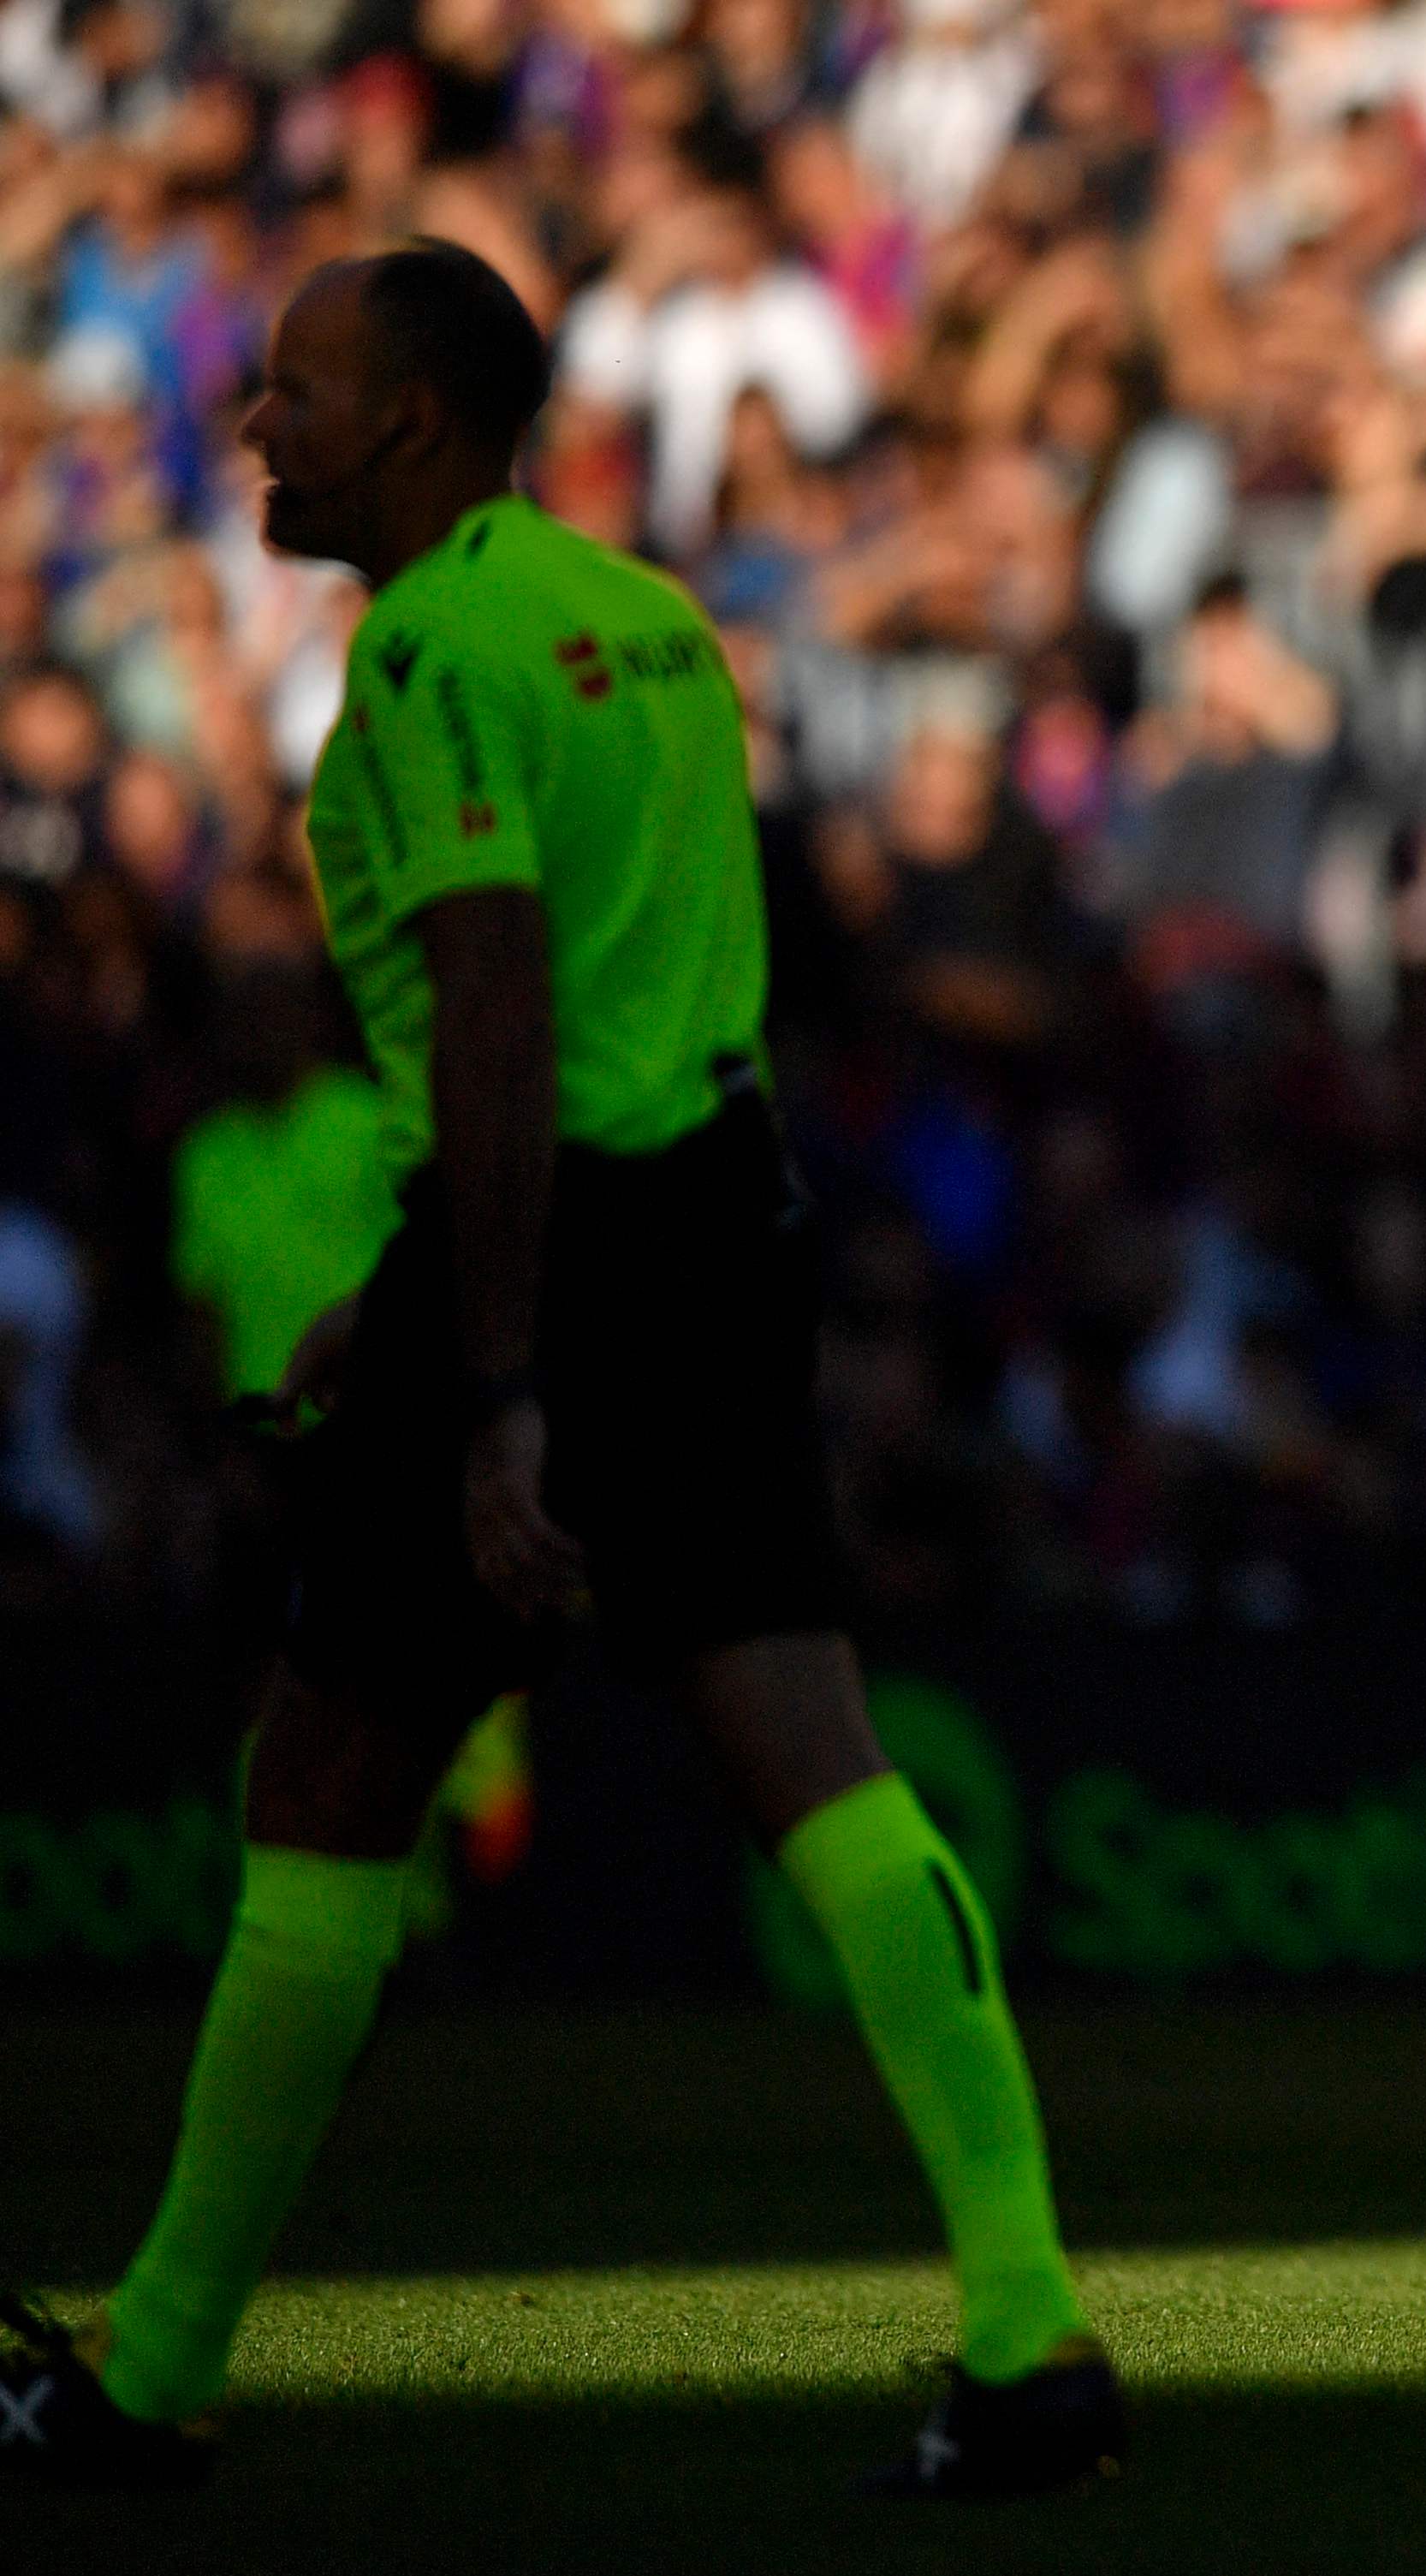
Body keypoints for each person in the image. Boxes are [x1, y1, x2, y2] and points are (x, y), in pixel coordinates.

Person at [0, 241, 1121, 2497]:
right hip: (713, 1218)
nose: (256, 427)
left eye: (298, 393)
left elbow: (502, 1009)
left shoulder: (424, 652)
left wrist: (489, 1376)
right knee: (820, 1759)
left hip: (557, 1249)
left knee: (322, 1772)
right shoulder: (654, 628)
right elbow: (666, 981)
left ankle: (155, 2367)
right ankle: (1030, 2326)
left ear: (409, 425)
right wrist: (412, 1281)